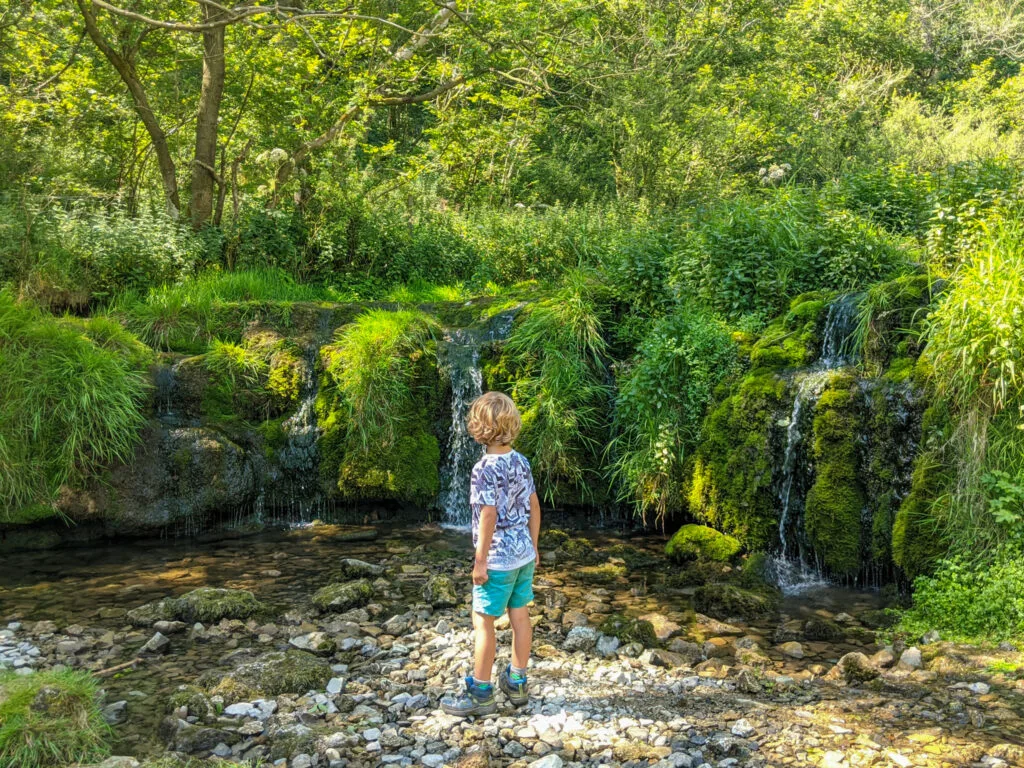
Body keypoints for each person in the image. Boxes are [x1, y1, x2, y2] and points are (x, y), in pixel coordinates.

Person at [441, 391, 541, 717]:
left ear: (478, 427)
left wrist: (480, 559)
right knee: (520, 616)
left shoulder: (484, 468)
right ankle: (517, 681)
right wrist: (534, 546)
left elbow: (488, 514)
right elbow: (534, 505)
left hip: (497, 558)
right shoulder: (521, 461)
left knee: (483, 622)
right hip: (523, 554)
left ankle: (481, 691)